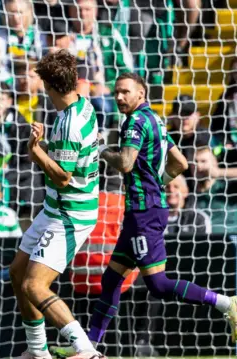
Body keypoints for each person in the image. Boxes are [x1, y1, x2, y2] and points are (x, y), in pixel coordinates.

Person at [50, 72, 237, 358]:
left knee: (158, 285)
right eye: (116, 93)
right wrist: (157, 183)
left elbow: (125, 162)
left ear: (141, 93)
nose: (120, 97)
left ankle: (227, 304)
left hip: (143, 213)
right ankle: (87, 347)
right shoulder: (156, 120)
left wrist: (100, 149)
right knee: (111, 281)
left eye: (126, 91)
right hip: (144, 209)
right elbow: (181, 162)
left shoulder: (135, 121)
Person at [8, 50, 103, 359]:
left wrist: (37, 153)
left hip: (70, 213)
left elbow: (62, 177)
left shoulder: (69, 126)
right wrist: (47, 147)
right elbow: (68, 159)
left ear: (48, 86)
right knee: (17, 273)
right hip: (54, 208)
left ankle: (86, 350)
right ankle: (37, 351)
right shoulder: (81, 105)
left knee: (34, 286)